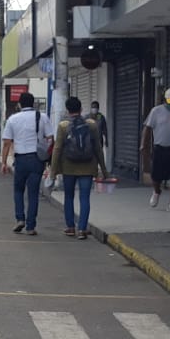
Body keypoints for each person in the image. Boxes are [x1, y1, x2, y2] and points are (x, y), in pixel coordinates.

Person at [51, 97, 110, 240]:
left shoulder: (63, 126)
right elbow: (98, 149)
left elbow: (57, 149)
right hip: (88, 167)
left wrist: (53, 171)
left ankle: (71, 227)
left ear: (67, 110)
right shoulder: (92, 125)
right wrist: (104, 170)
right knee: (84, 198)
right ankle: (82, 229)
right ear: (81, 109)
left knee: (69, 197)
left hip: (68, 167)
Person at [0, 92, 53, 236]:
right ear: (33, 103)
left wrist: (4, 162)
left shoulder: (12, 119)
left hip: (20, 159)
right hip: (37, 159)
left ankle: (20, 219)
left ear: (19, 104)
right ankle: (31, 226)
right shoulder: (42, 117)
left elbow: (7, 143)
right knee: (33, 193)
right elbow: (50, 138)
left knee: (18, 190)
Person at [143, 88, 170, 212]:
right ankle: (156, 191)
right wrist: (143, 144)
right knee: (156, 176)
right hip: (160, 148)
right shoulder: (156, 111)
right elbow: (147, 128)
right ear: (165, 100)